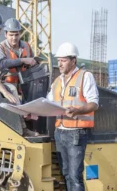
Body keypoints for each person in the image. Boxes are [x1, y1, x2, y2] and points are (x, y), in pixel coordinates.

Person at [46, 42, 99, 191]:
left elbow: (94, 104)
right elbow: (48, 102)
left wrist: (77, 111)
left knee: (75, 176)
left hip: (76, 133)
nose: (60, 64)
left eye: (64, 60)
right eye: (59, 60)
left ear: (73, 60)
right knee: (66, 174)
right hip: (60, 132)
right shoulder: (57, 81)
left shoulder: (85, 77)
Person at [0, 17, 39, 136]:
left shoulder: (26, 46)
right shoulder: (1, 47)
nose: (14, 38)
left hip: (25, 83)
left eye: (16, 34)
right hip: (8, 83)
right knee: (13, 92)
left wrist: (33, 62)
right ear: (5, 34)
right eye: (11, 35)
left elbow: (32, 61)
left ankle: (36, 125)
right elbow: (1, 63)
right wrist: (22, 60)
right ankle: (24, 129)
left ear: (20, 34)